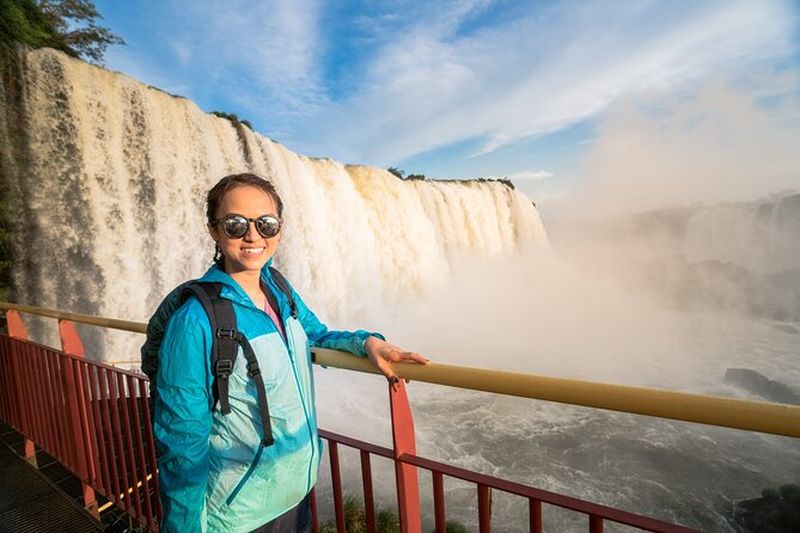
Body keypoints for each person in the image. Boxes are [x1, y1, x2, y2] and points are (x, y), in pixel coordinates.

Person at [153, 173, 429, 532]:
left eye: (265, 224)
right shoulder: (194, 322)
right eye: (235, 224)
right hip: (239, 515)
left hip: (296, 492)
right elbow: (181, 443)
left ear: (279, 230)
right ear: (214, 230)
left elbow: (315, 334)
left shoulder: (277, 288)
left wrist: (366, 343)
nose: (252, 236)